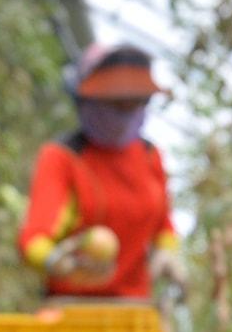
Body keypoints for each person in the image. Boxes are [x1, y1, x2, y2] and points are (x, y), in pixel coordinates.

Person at [17, 42, 184, 299]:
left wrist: (167, 254)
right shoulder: (63, 157)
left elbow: (164, 225)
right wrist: (57, 262)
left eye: (137, 103)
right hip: (73, 308)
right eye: (118, 104)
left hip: (134, 309)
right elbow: (34, 238)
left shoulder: (150, 156)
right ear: (88, 100)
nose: (127, 114)